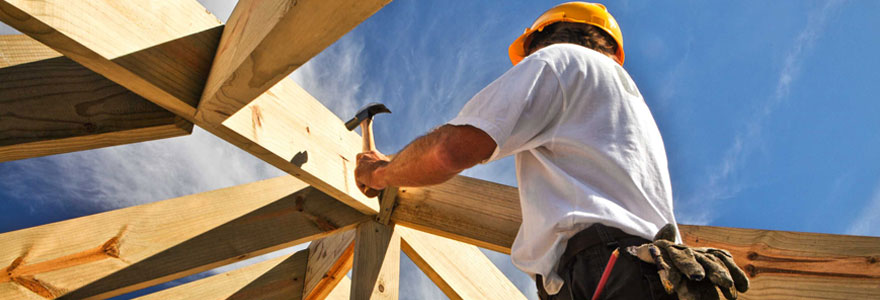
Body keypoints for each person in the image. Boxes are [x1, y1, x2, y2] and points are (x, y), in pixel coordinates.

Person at [355, 2, 705, 299]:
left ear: (541, 40)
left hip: (604, 271)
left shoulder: (560, 60)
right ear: (614, 50)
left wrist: (381, 170)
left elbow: (449, 151)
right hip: (653, 275)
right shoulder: (629, 108)